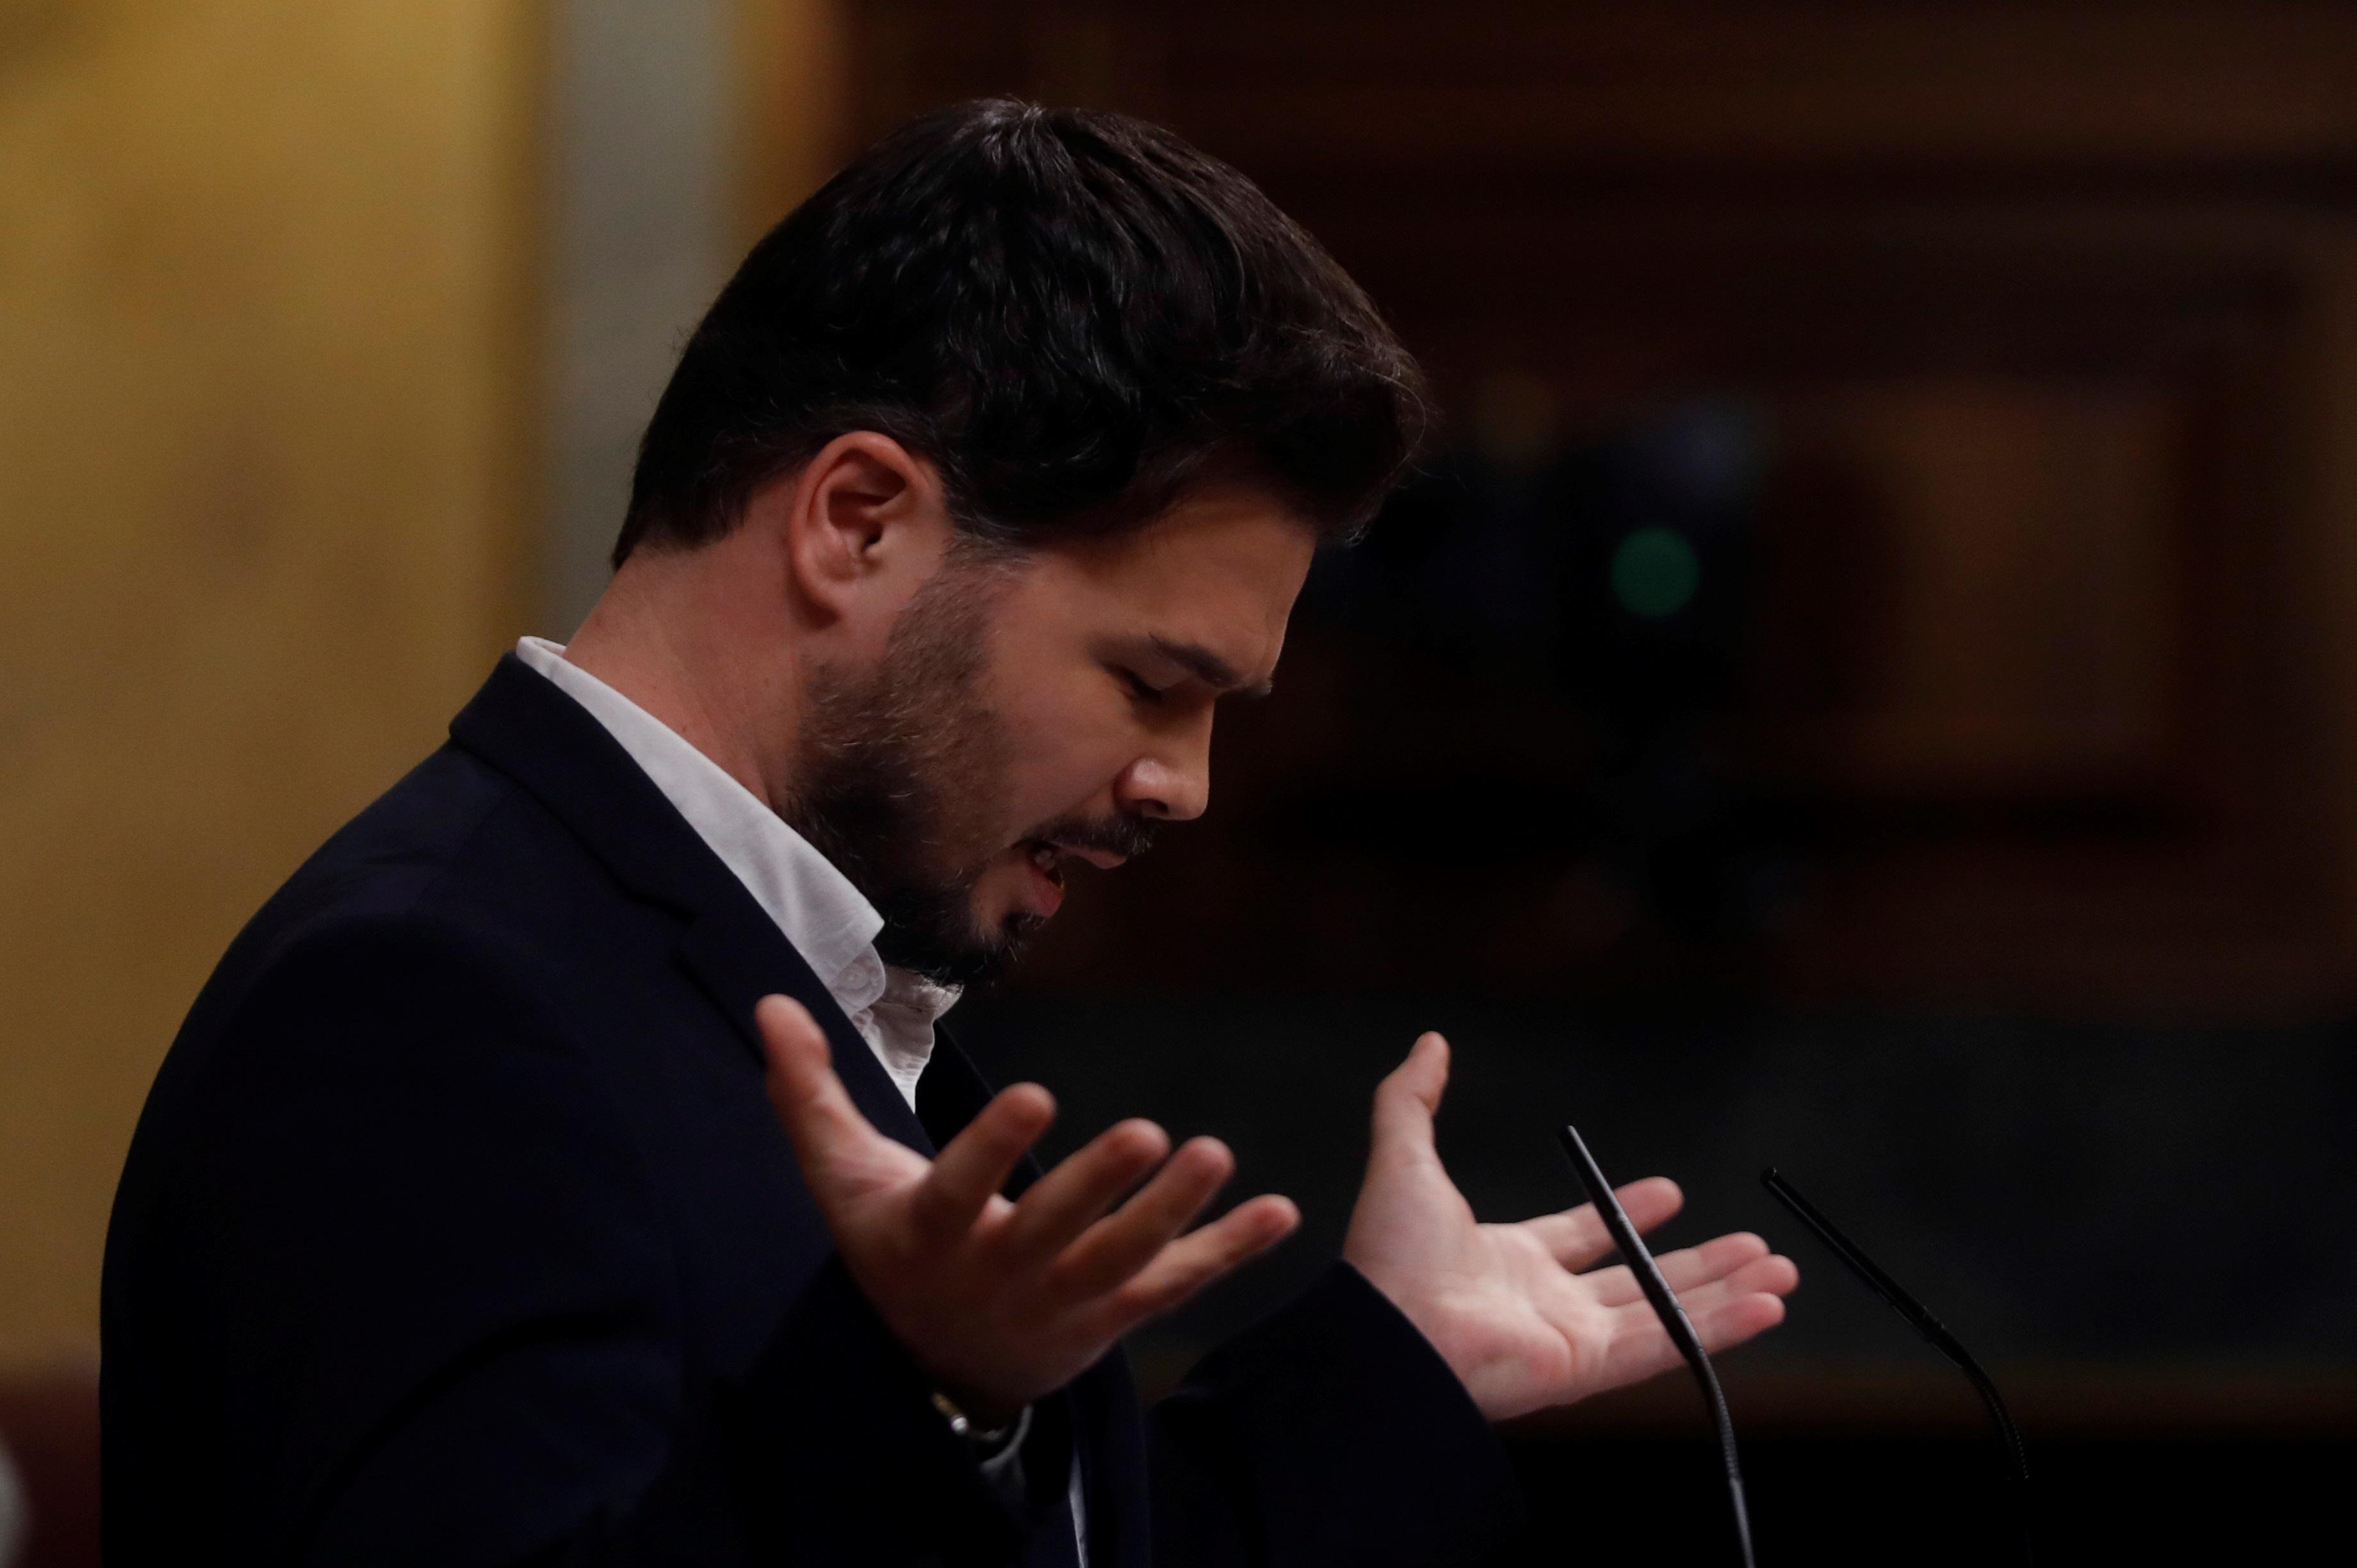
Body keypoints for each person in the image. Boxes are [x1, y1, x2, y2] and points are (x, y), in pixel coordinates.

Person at [101, 100, 1797, 1565]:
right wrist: (921, 1392)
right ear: (858, 524)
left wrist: (1398, 1371)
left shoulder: (837, 980)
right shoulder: (425, 1002)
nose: (1184, 786)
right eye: (1151, 680)